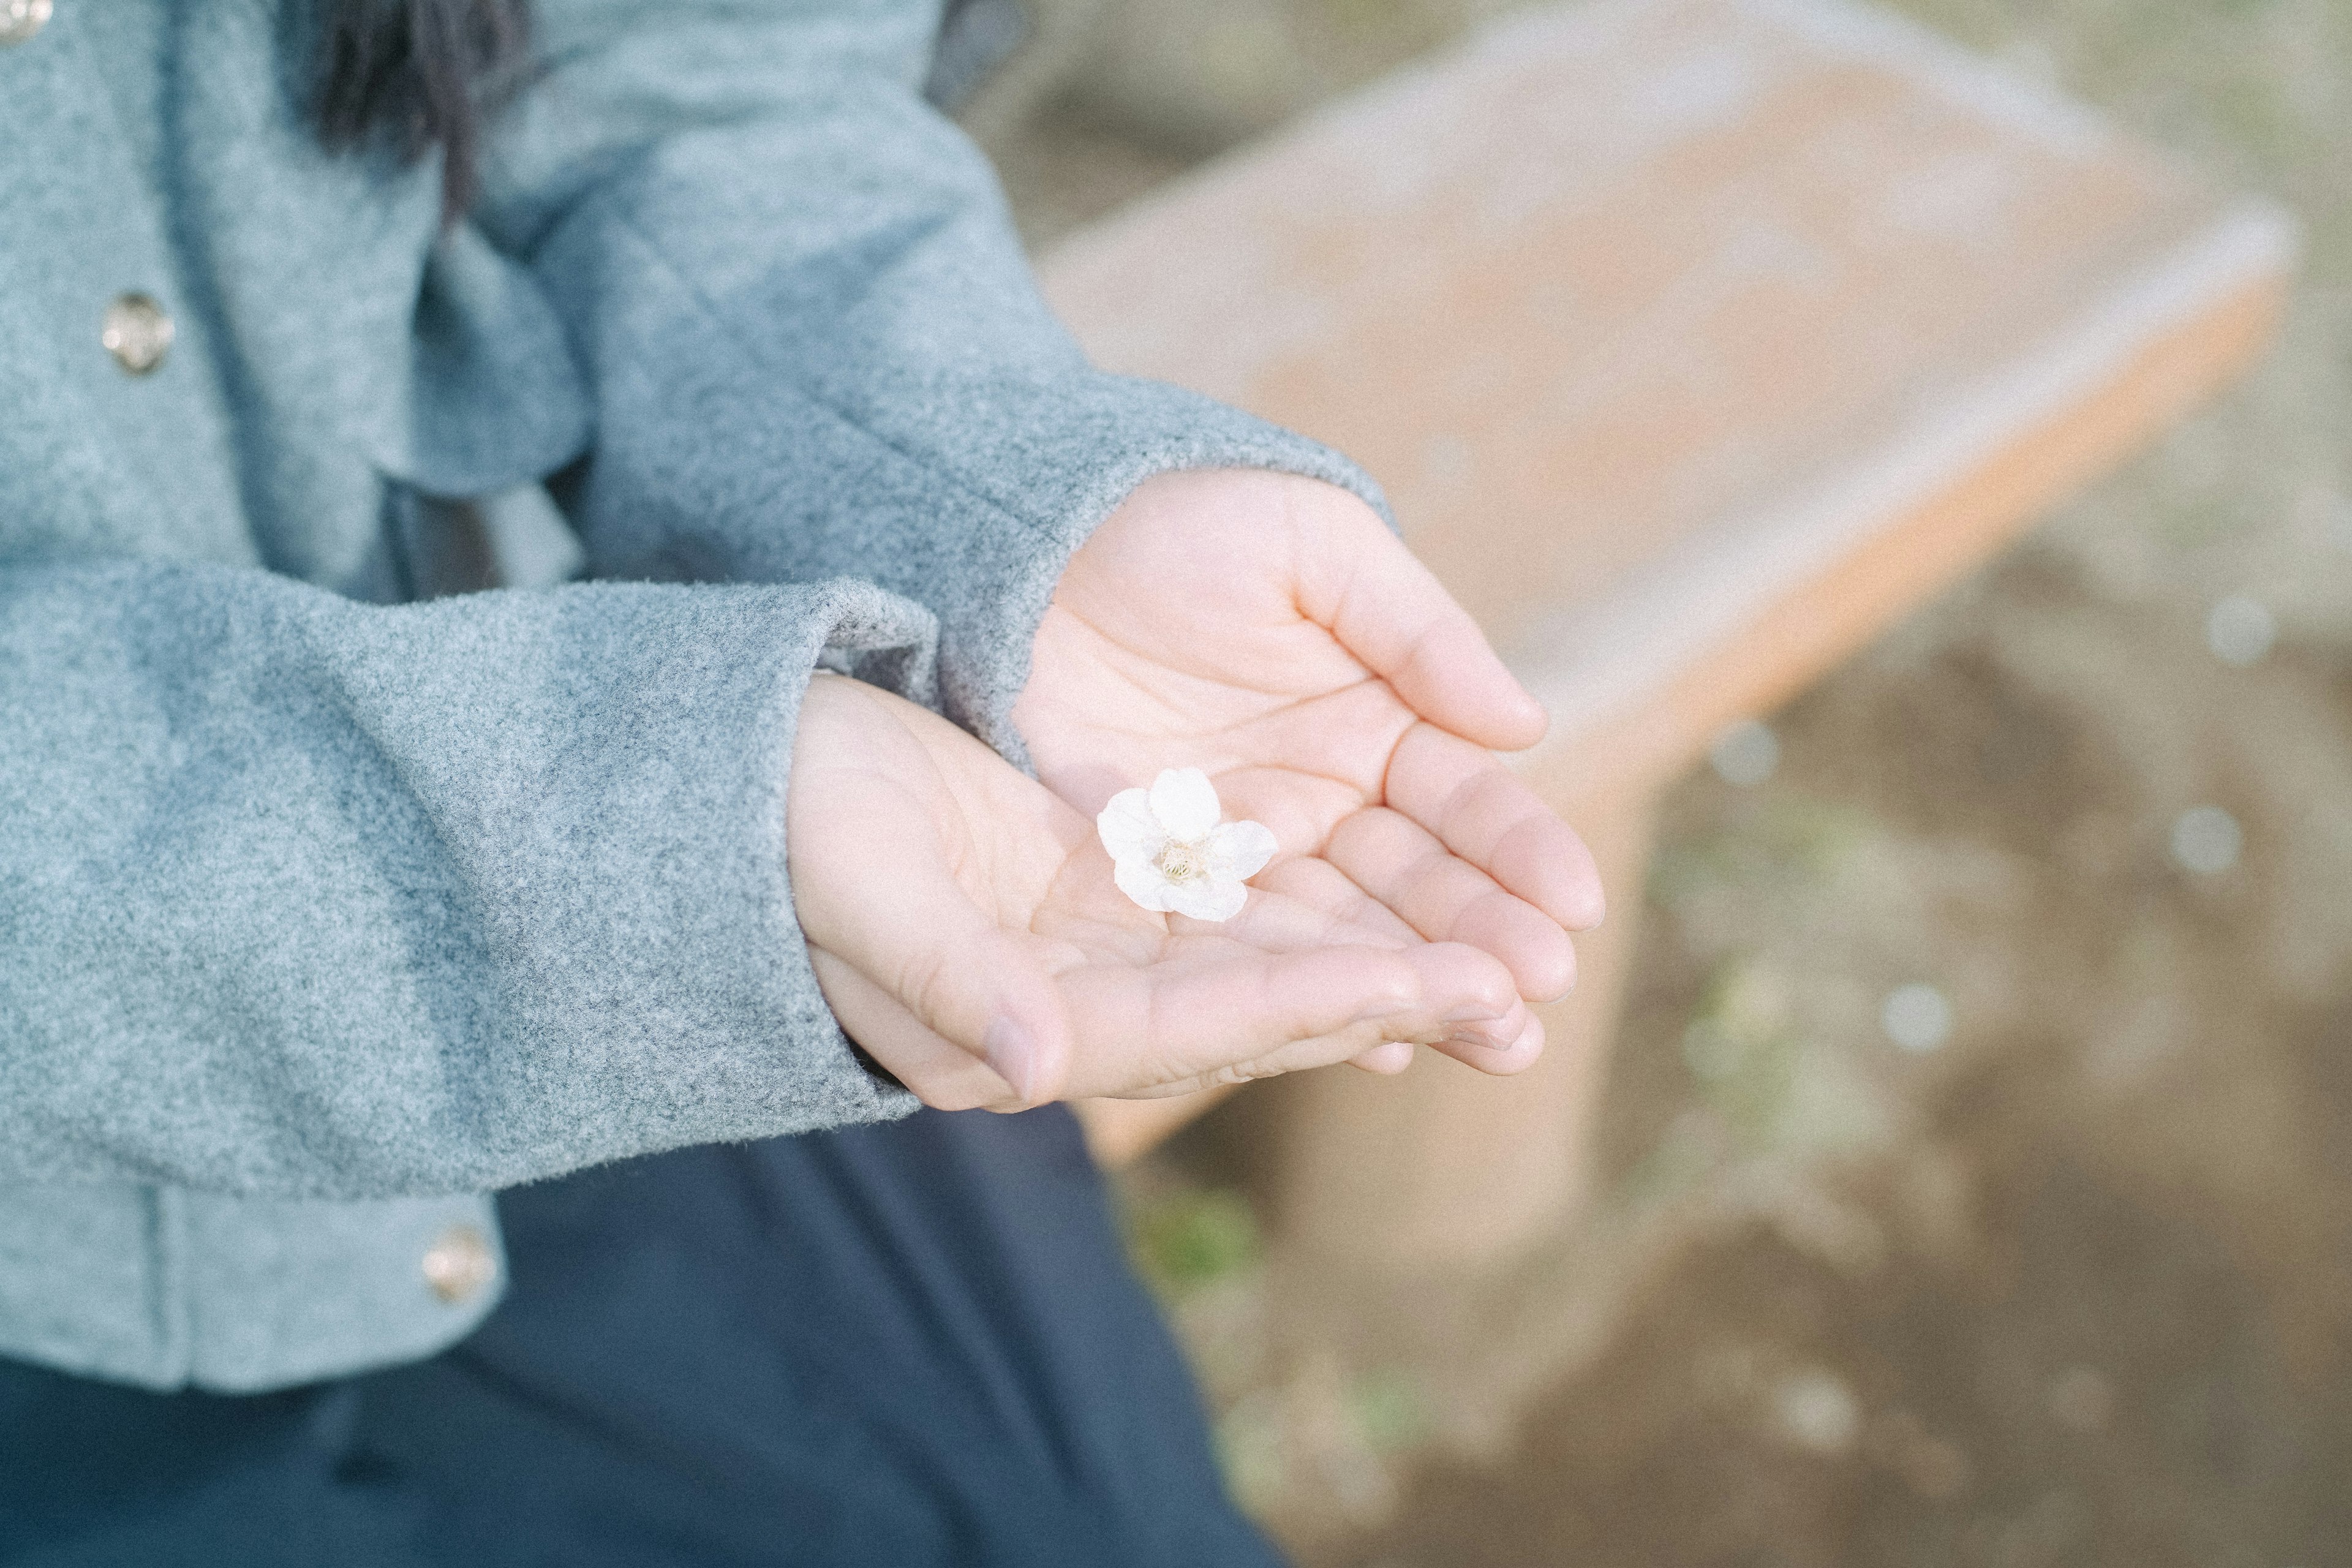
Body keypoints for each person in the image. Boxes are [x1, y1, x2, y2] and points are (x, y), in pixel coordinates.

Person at [0, 0, 1604, 1561]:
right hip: (117, 1225)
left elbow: (685, 73)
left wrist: (986, 506)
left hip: (641, 904)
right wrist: (659, 822)